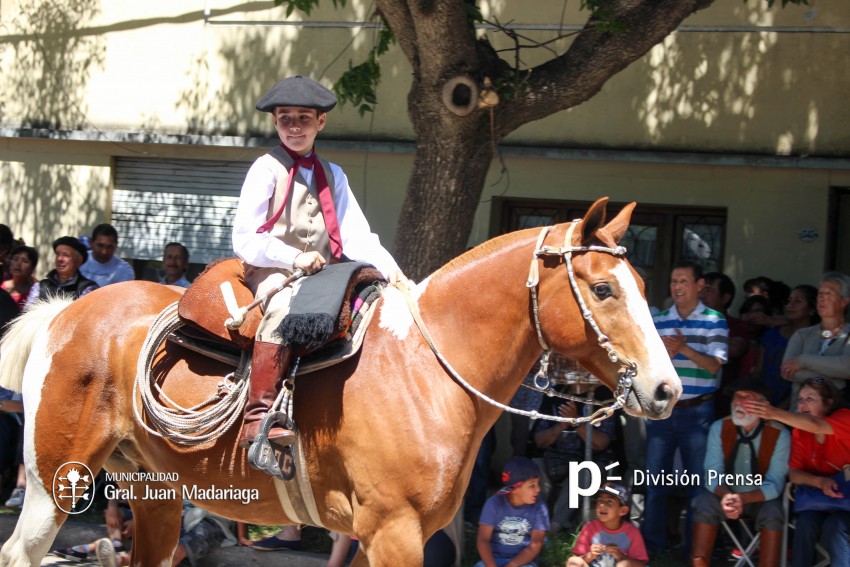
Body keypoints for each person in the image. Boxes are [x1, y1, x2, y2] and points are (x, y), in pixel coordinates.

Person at [231, 75, 405, 448]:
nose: (294, 127)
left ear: (320, 122)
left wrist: (395, 274)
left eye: (304, 118)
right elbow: (245, 239)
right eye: (285, 119)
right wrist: (293, 256)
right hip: (272, 267)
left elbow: (358, 236)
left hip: (323, 273)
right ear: (275, 122)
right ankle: (257, 416)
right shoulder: (264, 168)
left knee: (372, 305)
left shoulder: (334, 174)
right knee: (281, 308)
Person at [642, 260, 729, 555]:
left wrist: (684, 349)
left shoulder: (714, 320)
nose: (677, 287)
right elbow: (647, 366)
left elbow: (714, 366)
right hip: (663, 408)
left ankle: (696, 552)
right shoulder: (660, 319)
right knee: (655, 485)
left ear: (699, 286)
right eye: (673, 282)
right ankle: (651, 551)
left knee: (698, 485)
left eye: (683, 281)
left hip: (698, 412)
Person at [746, 377, 850, 567]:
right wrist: (820, 482)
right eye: (800, 399)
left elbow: (817, 425)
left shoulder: (845, 417)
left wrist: (774, 413)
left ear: (828, 404)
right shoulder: (800, 432)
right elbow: (794, 473)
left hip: (847, 501)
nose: (802, 404)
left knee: (835, 525)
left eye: (810, 399)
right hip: (820, 500)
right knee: (805, 524)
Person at [690, 377, 790, 567]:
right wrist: (728, 495)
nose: (739, 402)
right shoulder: (720, 427)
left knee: (774, 511)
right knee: (704, 502)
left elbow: (775, 483)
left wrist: (743, 499)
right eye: (737, 397)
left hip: (760, 498)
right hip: (726, 495)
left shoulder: (779, 433)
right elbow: (712, 473)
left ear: (764, 405)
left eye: (747, 397)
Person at [532, 383, 617, 535]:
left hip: (589, 461)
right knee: (533, 467)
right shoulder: (555, 393)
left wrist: (576, 422)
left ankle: (554, 527)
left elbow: (601, 443)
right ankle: (535, 523)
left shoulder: (603, 398)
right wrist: (560, 426)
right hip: (555, 459)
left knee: (582, 473)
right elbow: (539, 440)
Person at [781, 272, 850, 408]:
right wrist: (837, 379)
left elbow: (847, 367)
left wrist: (803, 361)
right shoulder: (802, 334)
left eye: (828, 294)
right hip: (799, 415)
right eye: (820, 293)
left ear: (844, 301)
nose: (822, 298)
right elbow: (787, 371)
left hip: (835, 416)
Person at [474, 457, 548, 567]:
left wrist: (510, 566)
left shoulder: (539, 507)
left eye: (538, 483)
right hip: (493, 560)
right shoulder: (493, 504)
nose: (538, 489)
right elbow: (483, 540)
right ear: (514, 489)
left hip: (523, 562)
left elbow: (536, 544)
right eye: (532, 485)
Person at [756, 284, 818, 406]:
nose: (791, 305)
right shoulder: (771, 335)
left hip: (798, 404)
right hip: (764, 401)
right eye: (789, 301)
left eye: (798, 301)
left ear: (812, 309)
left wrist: (783, 406)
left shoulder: (815, 340)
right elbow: (758, 372)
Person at [700, 271, 748, 418]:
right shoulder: (685, 322)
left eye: (709, 291)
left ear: (725, 298)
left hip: (722, 403)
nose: (702, 295)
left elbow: (734, 349)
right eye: (701, 290)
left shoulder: (737, 326)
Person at [567, 482, 648, 567]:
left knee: (623, 564)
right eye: (599, 500)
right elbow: (579, 558)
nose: (602, 505)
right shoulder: (590, 527)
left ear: (622, 511)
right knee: (573, 561)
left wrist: (620, 556)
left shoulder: (632, 533)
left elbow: (640, 564)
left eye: (609, 501)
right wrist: (590, 555)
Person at [26, 236, 98, 303]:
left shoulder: (87, 289)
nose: (59, 259)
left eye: (65, 255)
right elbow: (27, 314)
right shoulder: (40, 286)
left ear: (79, 260)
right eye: (57, 254)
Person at [80, 223, 135, 288]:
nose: (104, 252)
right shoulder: (79, 260)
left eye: (109, 247)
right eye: (100, 246)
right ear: (91, 242)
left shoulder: (123, 270)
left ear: (116, 245)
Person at [1, 245, 38, 310]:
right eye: (15, 259)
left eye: (25, 261)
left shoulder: (35, 293)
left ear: (32, 268)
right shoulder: (1, 285)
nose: (18, 264)